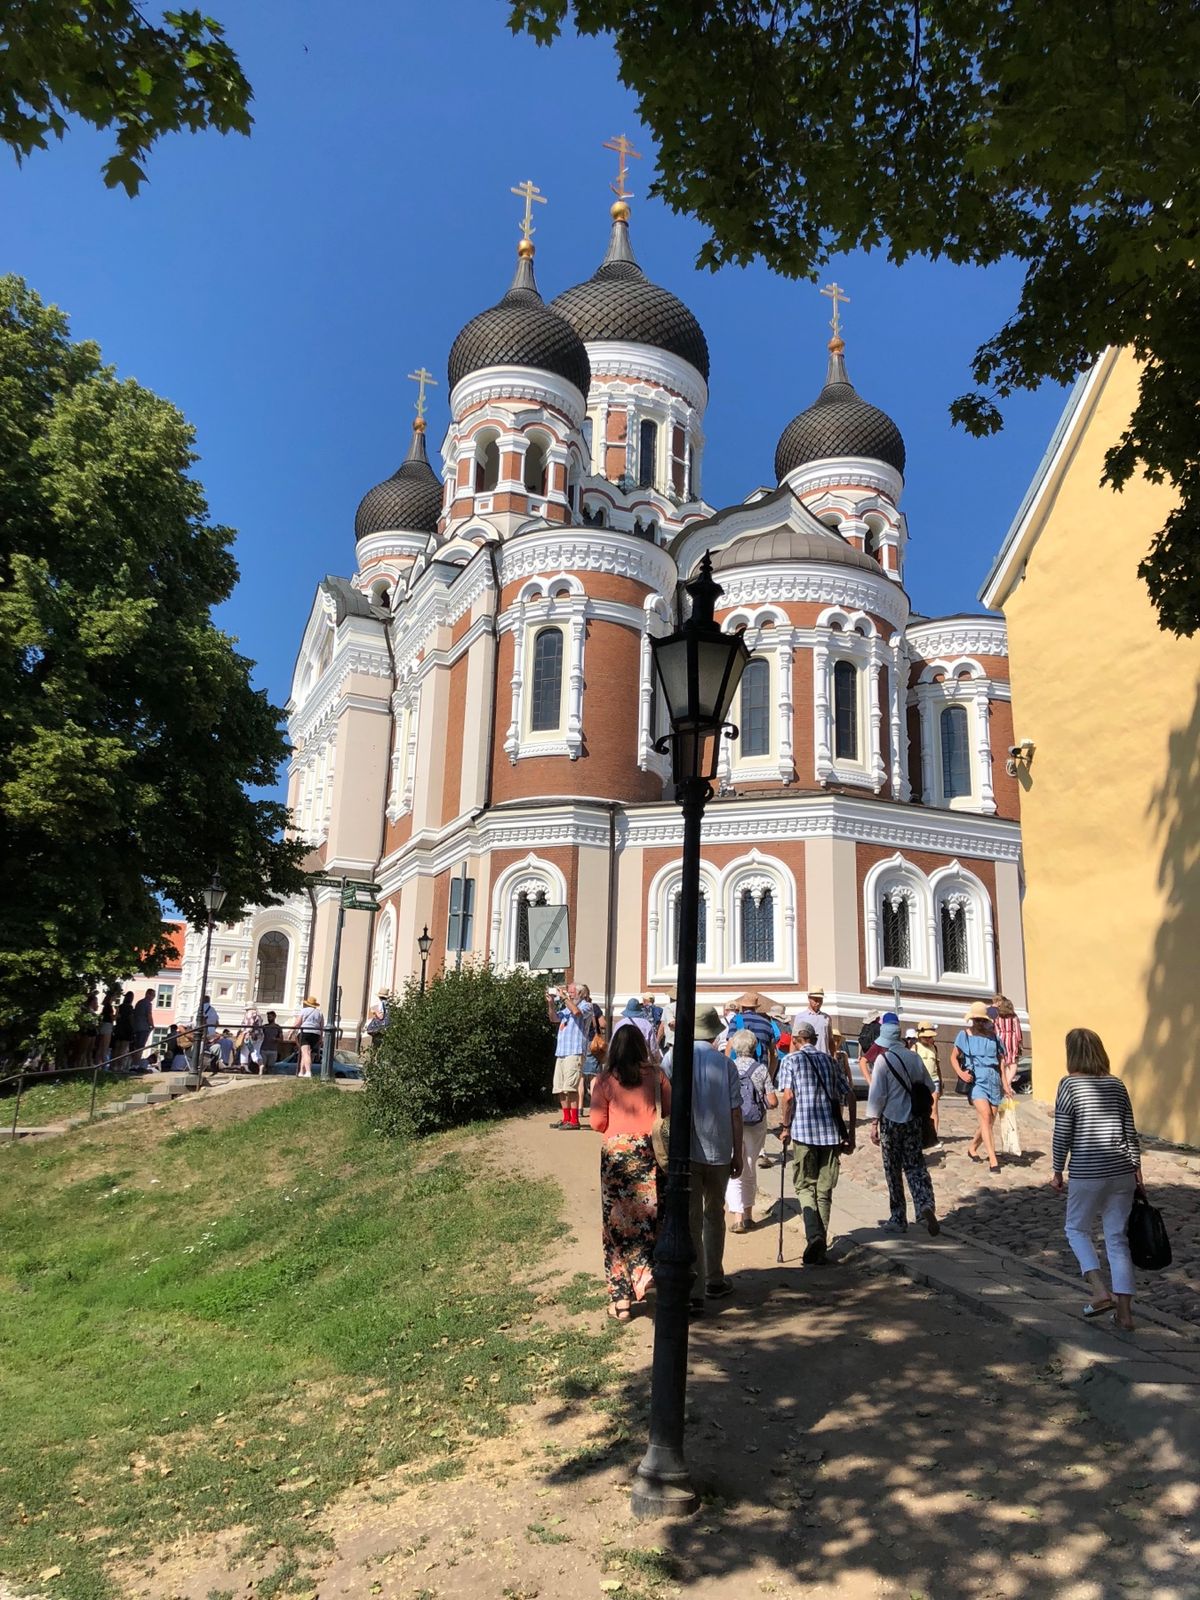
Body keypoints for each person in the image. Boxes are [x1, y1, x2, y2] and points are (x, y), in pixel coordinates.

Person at [1051, 1028, 1143, 1331]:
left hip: (1087, 1172)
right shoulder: (1117, 1085)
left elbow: (1062, 1131)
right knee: (1117, 1239)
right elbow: (1129, 1130)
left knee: (1076, 1229)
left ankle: (1098, 1289)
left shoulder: (1069, 1085)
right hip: (1121, 1172)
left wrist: (1056, 1169)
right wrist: (1137, 1169)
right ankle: (1125, 1314)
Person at [662, 1006, 743, 1314]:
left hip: (686, 1150)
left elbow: (664, 1101)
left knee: (691, 1219)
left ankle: (694, 1290)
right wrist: (737, 1151)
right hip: (720, 1149)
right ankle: (714, 1278)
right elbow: (735, 1112)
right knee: (715, 1215)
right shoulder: (726, 1064)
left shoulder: (673, 1059)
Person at [588, 1021, 670, 1321]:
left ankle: (621, 1299)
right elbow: (669, 1110)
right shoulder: (657, 1076)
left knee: (615, 1226)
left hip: (616, 1156)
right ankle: (648, 1275)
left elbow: (597, 1123)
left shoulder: (605, 1080)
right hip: (649, 1152)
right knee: (650, 1219)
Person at [776, 1022, 856, 1263]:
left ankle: (813, 1236)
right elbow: (850, 1095)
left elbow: (788, 1097)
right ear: (814, 1038)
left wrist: (785, 1126)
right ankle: (820, 1242)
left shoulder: (791, 1061)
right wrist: (851, 1133)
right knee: (824, 1189)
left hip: (803, 1131)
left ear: (797, 1040)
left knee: (803, 1186)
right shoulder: (831, 1061)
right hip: (831, 1133)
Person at [865, 1017, 940, 1235]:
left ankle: (898, 1217)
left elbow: (877, 1095)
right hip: (913, 1120)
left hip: (891, 1120)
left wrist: (873, 1123)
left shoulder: (883, 1060)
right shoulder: (914, 1057)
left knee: (893, 1169)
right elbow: (928, 1084)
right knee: (915, 1165)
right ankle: (924, 1204)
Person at [953, 1001, 1013, 1172]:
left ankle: (973, 1147)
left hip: (993, 1079)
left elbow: (1001, 1062)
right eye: (976, 1020)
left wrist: (1006, 1084)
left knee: (989, 1120)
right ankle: (993, 1159)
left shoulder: (994, 1037)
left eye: (981, 1020)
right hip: (976, 1079)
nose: (979, 1023)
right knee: (985, 1116)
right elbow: (953, 1057)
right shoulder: (964, 1035)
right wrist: (961, 1073)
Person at [725, 1029, 775, 1233]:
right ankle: (748, 1215)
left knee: (734, 1166)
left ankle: (736, 1216)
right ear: (755, 1047)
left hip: (731, 1122)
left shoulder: (728, 1067)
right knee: (750, 1167)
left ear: (735, 1048)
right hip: (755, 1123)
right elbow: (772, 1101)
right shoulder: (761, 1069)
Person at [547, 982, 594, 1129]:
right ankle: (566, 1118)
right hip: (562, 1052)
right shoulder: (566, 1007)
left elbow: (577, 1013)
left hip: (575, 1051)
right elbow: (554, 1018)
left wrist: (564, 998)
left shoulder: (586, 1005)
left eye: (571, 991)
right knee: (560, 1087)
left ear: (581, 993)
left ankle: (574, 1121)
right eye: (568, 991)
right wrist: (551, 1004)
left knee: (571, 1087)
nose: (568, 993)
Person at [913, 1022, 943, 1145]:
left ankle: (933, 1137)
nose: (929, 1039)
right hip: (920, 1082)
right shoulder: (914, 1048)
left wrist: (941, 1083)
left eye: (930, 1037)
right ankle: (919, 1136)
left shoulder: (934, 1048)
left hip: (934, 1080)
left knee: (934, 1110)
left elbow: (937, 1066)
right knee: (919, 1110)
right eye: (926, 1037)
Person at [611, 996, 660, 1062]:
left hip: (623, 1062)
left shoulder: (619, 1024)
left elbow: (613, 1044)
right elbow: (653, 1047)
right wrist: (655, 1060)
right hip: (642, 1062)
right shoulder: (646, 1024)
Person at [791, 987, 833, 1055]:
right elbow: (794, 1040)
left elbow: (830, 1041)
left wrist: (833, 1058)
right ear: (809, 998)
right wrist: (792, 1056)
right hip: (806, 1056)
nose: (818, 1003)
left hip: (823, 1056)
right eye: (816, 1000)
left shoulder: (826, 1018)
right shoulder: (800, 1017)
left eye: (820, 1000)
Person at [992, 995, 1024, 1072]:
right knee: (1012, 1061)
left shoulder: (997, 1016)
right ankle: (1008, 1081)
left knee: (1002, 1058)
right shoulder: (1014, 1017)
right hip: (1012, 1039)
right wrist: (1020, 1042)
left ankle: (1004, 1080)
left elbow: (995, 1029)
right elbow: (1018, 1031)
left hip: (1000, 1038)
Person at [294, 995, 324, 1077]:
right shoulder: (320, 1013)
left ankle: (308, 1072)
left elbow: (297, 1023)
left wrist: (291, 1031)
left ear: (307, 1004)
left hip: (305, 1032)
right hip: (316, 1034)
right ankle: (301, 1072)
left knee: (305, 1052)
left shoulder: (304, 1011)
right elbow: (322, 1026)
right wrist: (321, 1038)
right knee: (306, 1053)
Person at [130, 987, 155, 1065]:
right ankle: (136, 1064)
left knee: (135, 1047)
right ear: (147, 994)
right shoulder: (148, 1004)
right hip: (143, 1027)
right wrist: (152, 1025)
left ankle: (132, 1064)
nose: (153, 997)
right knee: (140, 1047)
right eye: (152, 995)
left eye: (154, 996)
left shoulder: (139, 1002)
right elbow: (149, 1015)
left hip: (136, 1027)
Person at [112, 992, 136, 1067]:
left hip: (119, 1028)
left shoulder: (120, 1006)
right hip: (127, 1029)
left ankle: (113, 1065)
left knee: (117, 1047)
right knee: (123, 1049)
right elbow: (131, 1018)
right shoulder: (130, 1007)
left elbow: (117, 1017)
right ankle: (120, 1066)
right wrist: (133, 1028)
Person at [238, 1007, 265, 1071]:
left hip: (250, 1036)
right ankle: (261, 1064)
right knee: (256, 1052)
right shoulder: (258, 1015)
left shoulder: (249, 1013)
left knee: (244, 1052)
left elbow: (250, 1025)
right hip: (259, 1036)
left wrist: (245, 1033)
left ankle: (244, 1068)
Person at [96, 991, 116, 1066]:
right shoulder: (109, 1006)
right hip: (107, 1026)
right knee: (105, 1046)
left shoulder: (105, 1006)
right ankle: (104, 1064)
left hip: (103, 1025)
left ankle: (97, 1063)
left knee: (101, 1046)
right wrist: (117, 1012)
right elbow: (113, 1018)